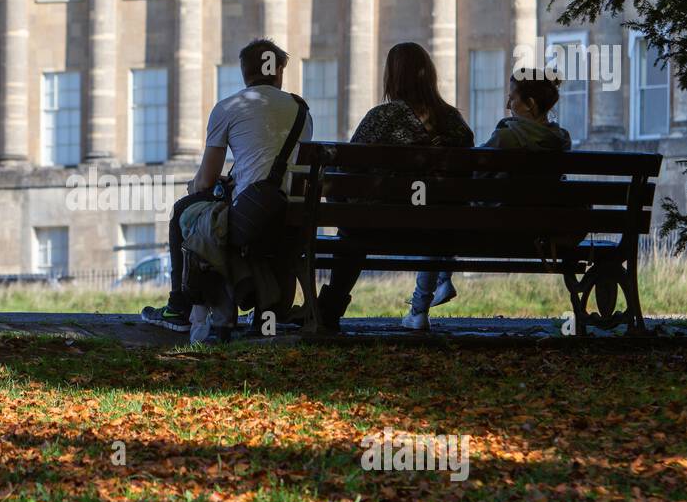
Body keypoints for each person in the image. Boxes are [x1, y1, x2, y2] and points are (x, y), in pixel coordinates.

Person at [141, 38, 313, 332]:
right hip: (293, 217)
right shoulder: (302, 112)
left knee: (184, 210)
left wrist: (195, 187)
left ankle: (179, 308)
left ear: (244, 72)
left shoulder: (228, 108)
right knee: (235, 223)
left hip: (251, 216)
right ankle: (261, 305)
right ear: (279, 72)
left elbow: (205, 180)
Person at [317, 41, 473, 331]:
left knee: (350, 231)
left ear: (393, 77)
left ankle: (329, 310)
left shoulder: (382, 117)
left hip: (379, 226)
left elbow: (347, 169)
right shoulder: (454, 121)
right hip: (440, 228)